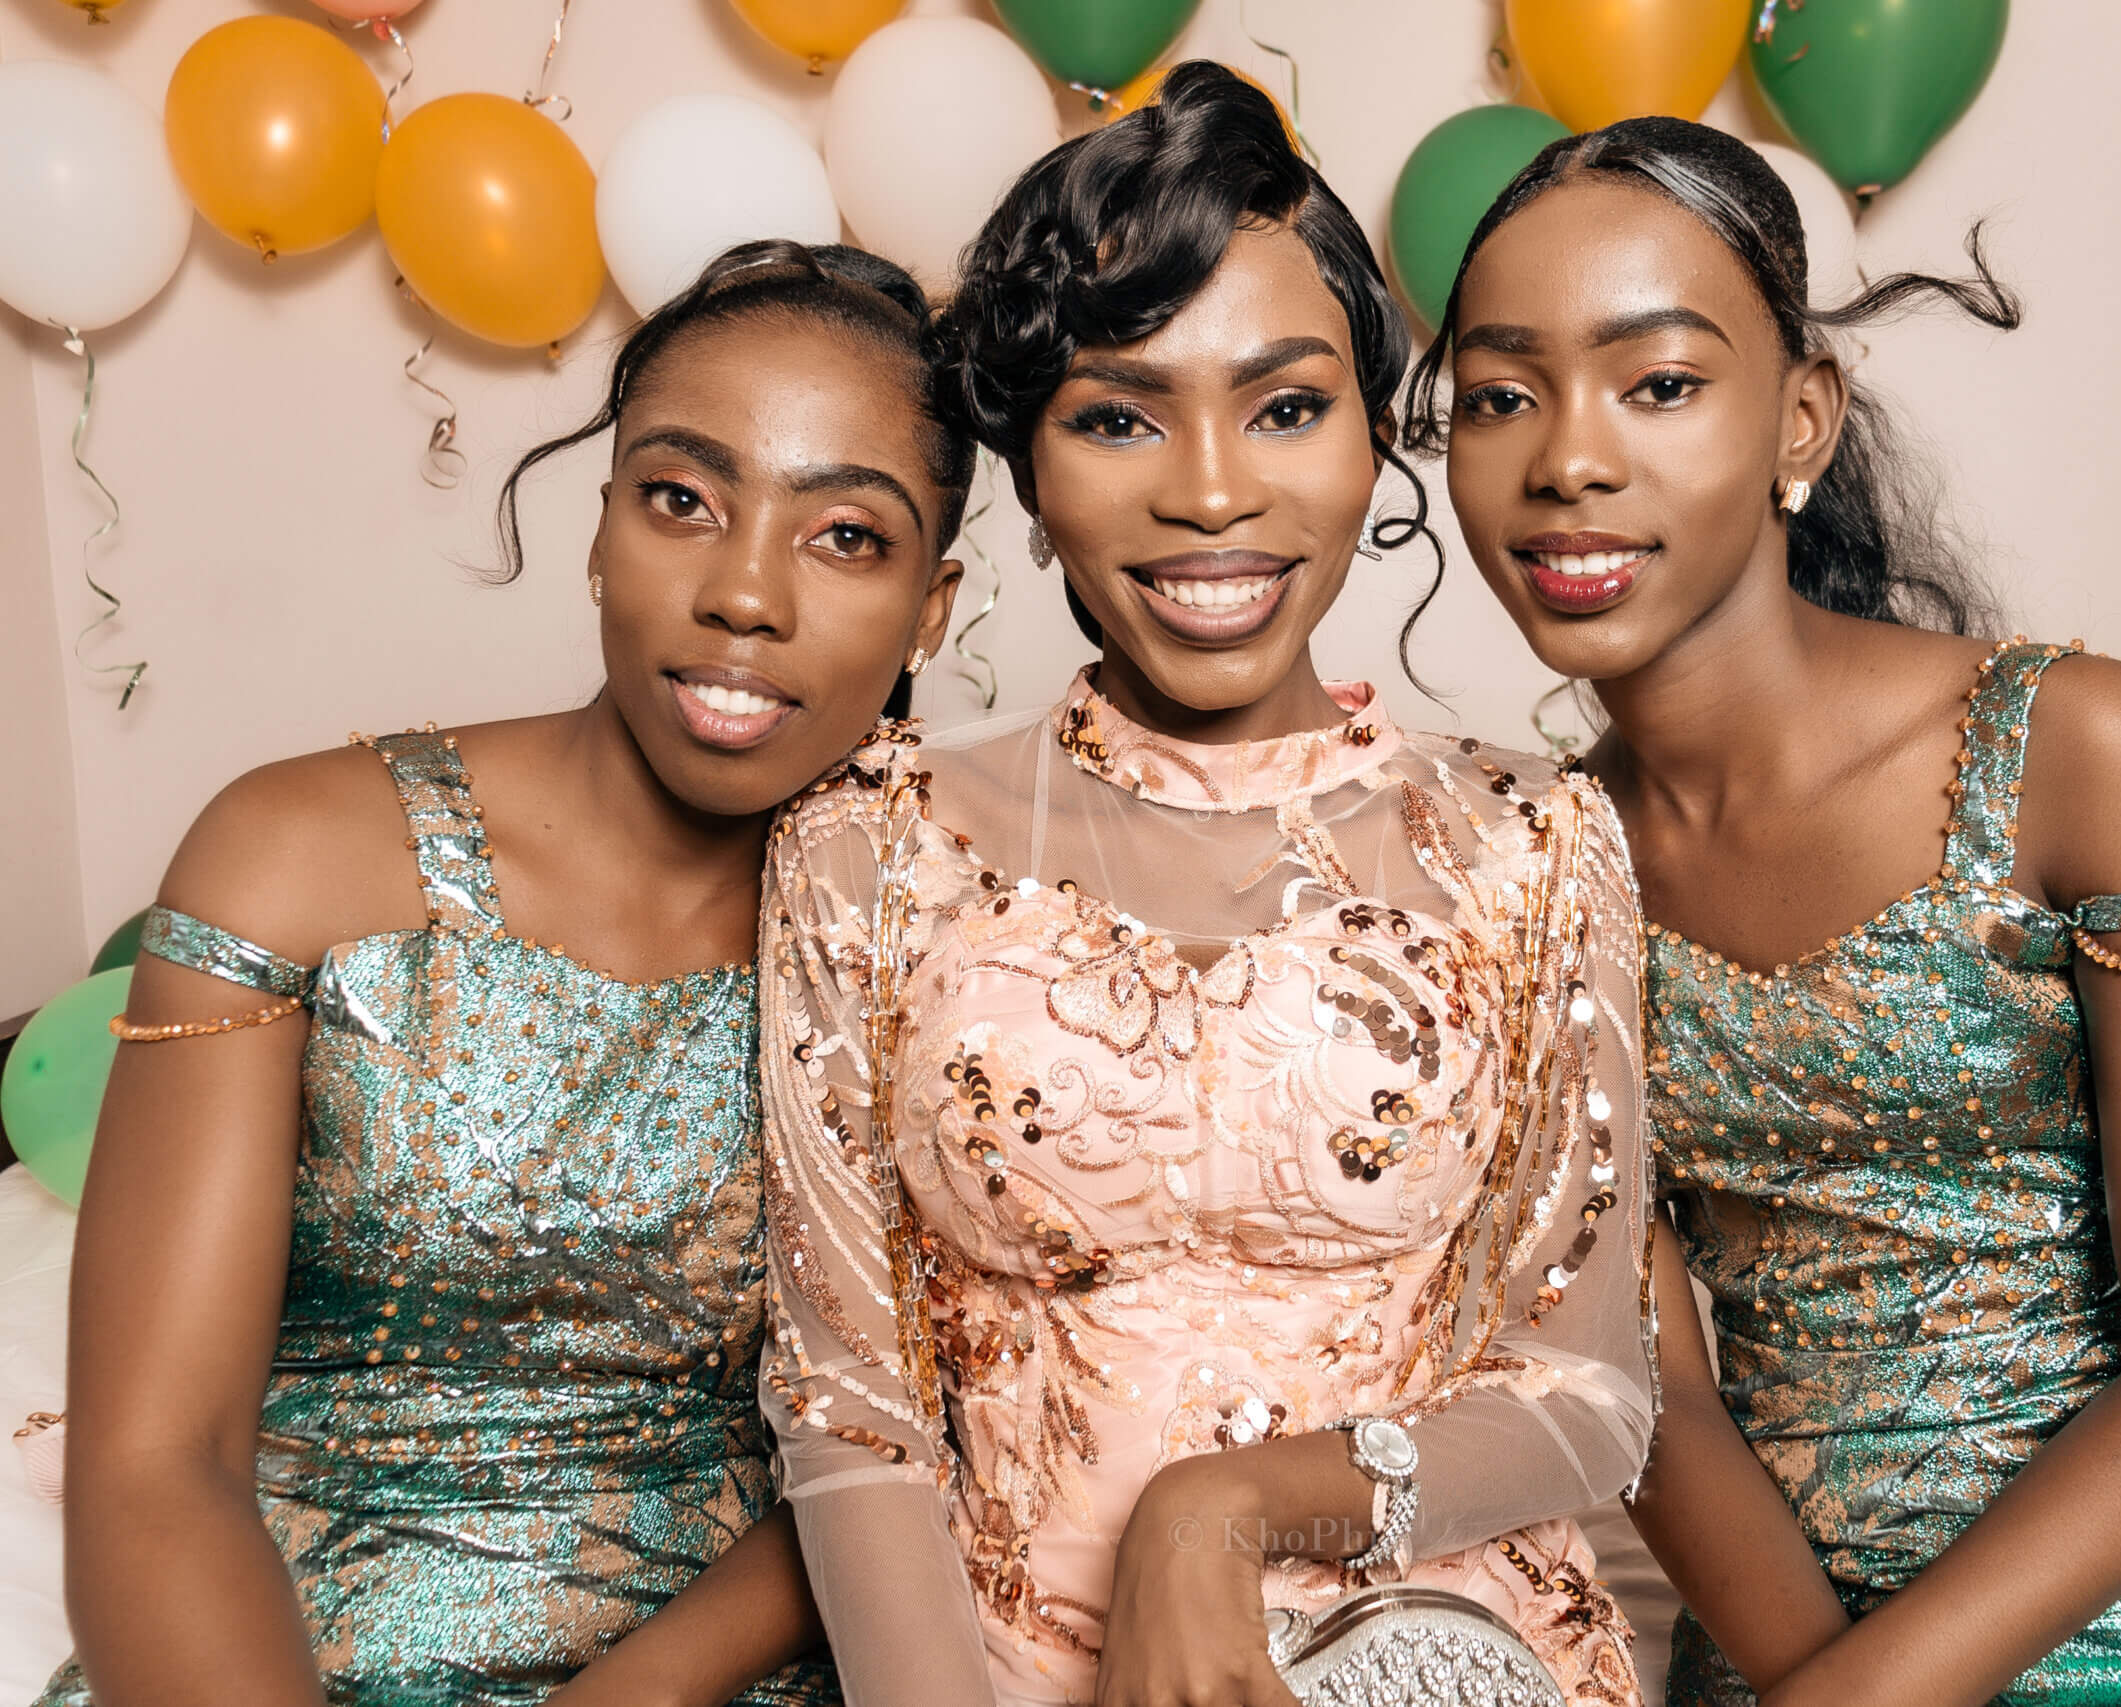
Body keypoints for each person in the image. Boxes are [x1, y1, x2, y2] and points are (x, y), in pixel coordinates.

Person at [1411, 118, 2121, 1707]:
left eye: (1659, 383)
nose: (1569, 462)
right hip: (1795, 1642)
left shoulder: (2082, 750)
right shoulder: (1527, 876)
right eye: (1498, 397)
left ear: (1800, 419)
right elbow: (1657, 1401)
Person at [756, 64, 1651, 1707]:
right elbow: (848, 1410)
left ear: (1375, 439)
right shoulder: (869, 844)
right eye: (1118, 417)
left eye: (1286, 407)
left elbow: (1586, 1397)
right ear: (1032, 472)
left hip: (1442, 1663)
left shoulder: (1533, 845)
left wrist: (1223, 1512)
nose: (1213, 490)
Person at [38, 240, 970, 1707]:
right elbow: (158, 1463)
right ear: (600, 531)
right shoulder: (295, 855)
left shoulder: (952, 941)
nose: (744, 593)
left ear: (933, 607)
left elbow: (936, 1435)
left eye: (846, 535)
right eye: (683, 499)